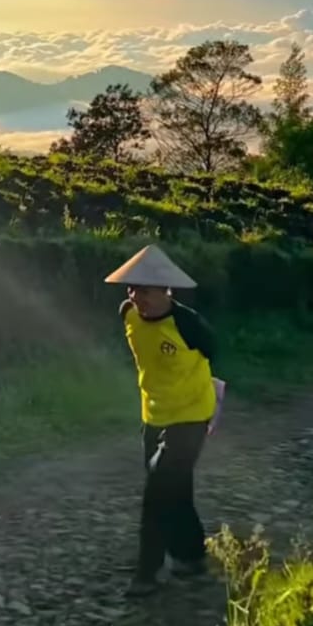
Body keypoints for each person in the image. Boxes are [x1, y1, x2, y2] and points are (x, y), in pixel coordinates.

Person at [105, 245, 222, 598]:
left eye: (144, 290)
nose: (136, 297)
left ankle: (147, 572)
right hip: (154, 415)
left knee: (157, 492)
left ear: (165, 291)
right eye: (132, 289)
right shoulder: (128, 314)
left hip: (191, 417)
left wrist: (215, 398)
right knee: (175, 489)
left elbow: (214, 354)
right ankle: (192, 555)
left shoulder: (188, 324)